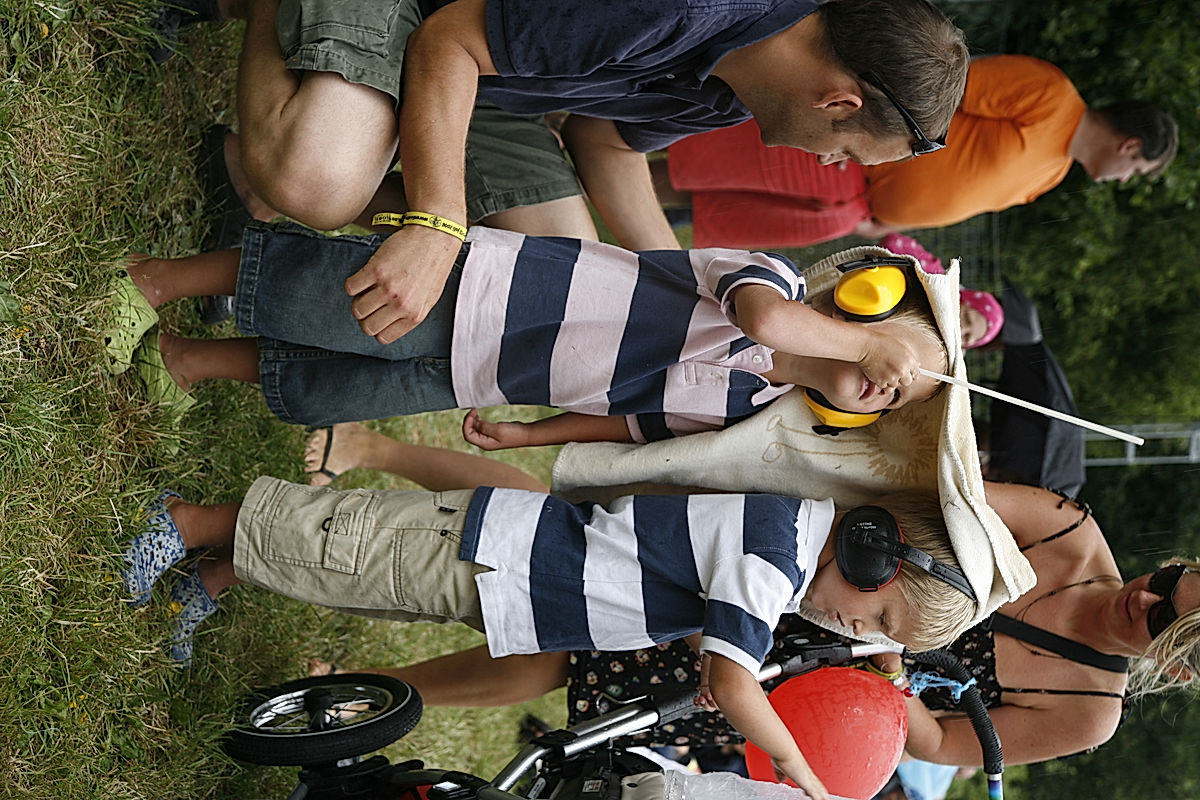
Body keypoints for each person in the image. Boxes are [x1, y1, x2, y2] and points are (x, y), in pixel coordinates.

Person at [299, 431, 1200, 766]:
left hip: (803, 675)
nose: (1142, 595)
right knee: (558, 529)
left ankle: (364, 686)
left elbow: (945, 745)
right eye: (1165, 578)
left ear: (1174, 662)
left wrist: (884, 675)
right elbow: (910, 502)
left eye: (1163, 616)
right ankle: (376, 452)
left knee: (546, 658)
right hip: (800, 569)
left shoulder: (1088, 711)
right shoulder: (1063, 530)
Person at [118, 471, 975, 800]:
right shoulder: (778, 550)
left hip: (520, 588)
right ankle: (189, 520)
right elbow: (736, 684)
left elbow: (717, 668)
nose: (858, 629)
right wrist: (803, 778)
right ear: (874, 557)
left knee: (365, 584)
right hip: (506, 554)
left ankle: (215, 572)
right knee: (352, 547)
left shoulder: (786, 560)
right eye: (880, 616)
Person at [163, 0, 968, 345]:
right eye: (847, 150)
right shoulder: (682, 7)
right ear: (839, 99)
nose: (830, 166)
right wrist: (436, 222)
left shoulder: (742, 88)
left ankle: (258, 151)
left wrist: (694, 281)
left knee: (558, 274)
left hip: (480, 73)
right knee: (315, 183)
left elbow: (607, 143)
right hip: (438, 23)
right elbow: (450, 39)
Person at [106, 221, 948, 441]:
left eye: (899, 395)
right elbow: (762, 317)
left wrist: (533, 434)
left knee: (338, 379)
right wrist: (862, 347)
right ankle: (158, 280)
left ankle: (190, 360)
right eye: (903, 356)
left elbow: (633, 421)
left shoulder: (749, 408)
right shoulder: (776, 283)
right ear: (866, 300)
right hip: (493, 294)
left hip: (495, 377)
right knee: (323, 296)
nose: (891, 381)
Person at [659, 54, 1179, 248]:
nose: (1123, 179)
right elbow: (935, 88)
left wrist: (886, 224)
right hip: (849, 155)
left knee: (710, 215)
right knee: (694, 164)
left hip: (855, 213)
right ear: (1129, 145)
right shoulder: (1051, 94)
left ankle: (612, 196)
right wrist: (859, 133)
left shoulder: (1054, 174)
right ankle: (602, 151)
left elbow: (960, 196)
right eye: (1137, 169)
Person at [876, 234, 1003, 350]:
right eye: (966, 318)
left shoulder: (930, 351)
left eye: (966, 337)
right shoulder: (934, 277)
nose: (961, 330)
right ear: (961, 299)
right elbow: (893, 241)